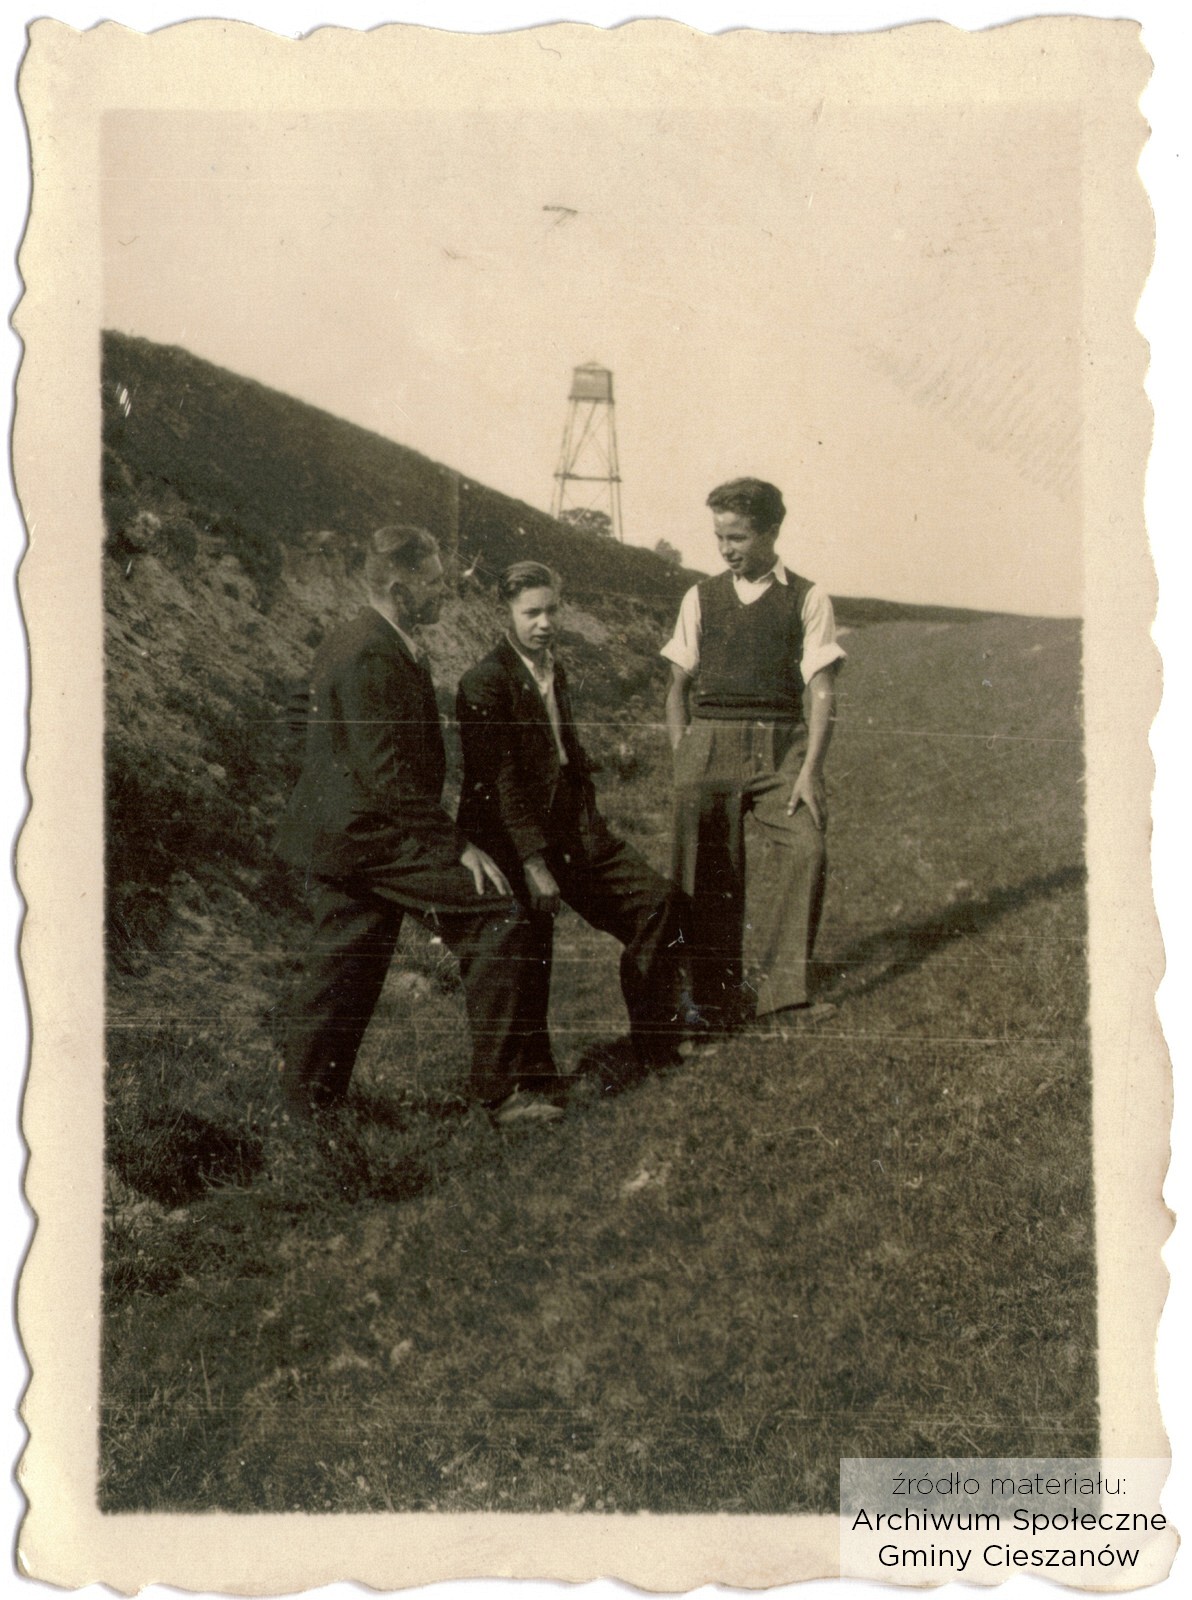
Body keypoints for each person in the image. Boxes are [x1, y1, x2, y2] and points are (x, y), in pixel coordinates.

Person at [274, 526, 562, 1126]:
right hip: (371, 837)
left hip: (348, 834)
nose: (444, 591)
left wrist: (330, 780)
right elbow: (388, 775)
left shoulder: (364, 638)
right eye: (432, 582)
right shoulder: (370, 651)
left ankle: (306, 1113)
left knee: (342, 969)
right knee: (496, 915)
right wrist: (456, 846)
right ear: (401, 588)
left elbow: (307, 715)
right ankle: (500, 1095)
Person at [456, 561, 693, 1071]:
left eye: (552, 610)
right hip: (511, 839)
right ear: (506, 613)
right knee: (528, 955)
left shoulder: (552, 668)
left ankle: (657, 1044)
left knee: (657, 904)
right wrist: (533, 861)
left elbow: (562, 753)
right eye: (531, 613)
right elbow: (499, 781)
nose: (544, 623)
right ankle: (532, 1082)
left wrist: (589, 819)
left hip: (573, 828)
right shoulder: (483, 682)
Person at [661, 478, 845, 1031]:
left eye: (737, 537)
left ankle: (782, 995)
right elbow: (676, 689)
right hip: (709, 746)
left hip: (779, 748)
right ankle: (713, 1002)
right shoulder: (700, 597)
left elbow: (823, 691)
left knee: (807, 849)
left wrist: (810, 771)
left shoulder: (808, 597)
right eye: (720, 537)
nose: (726, 549)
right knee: (706, 875)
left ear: (771, 531)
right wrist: (684, 754)